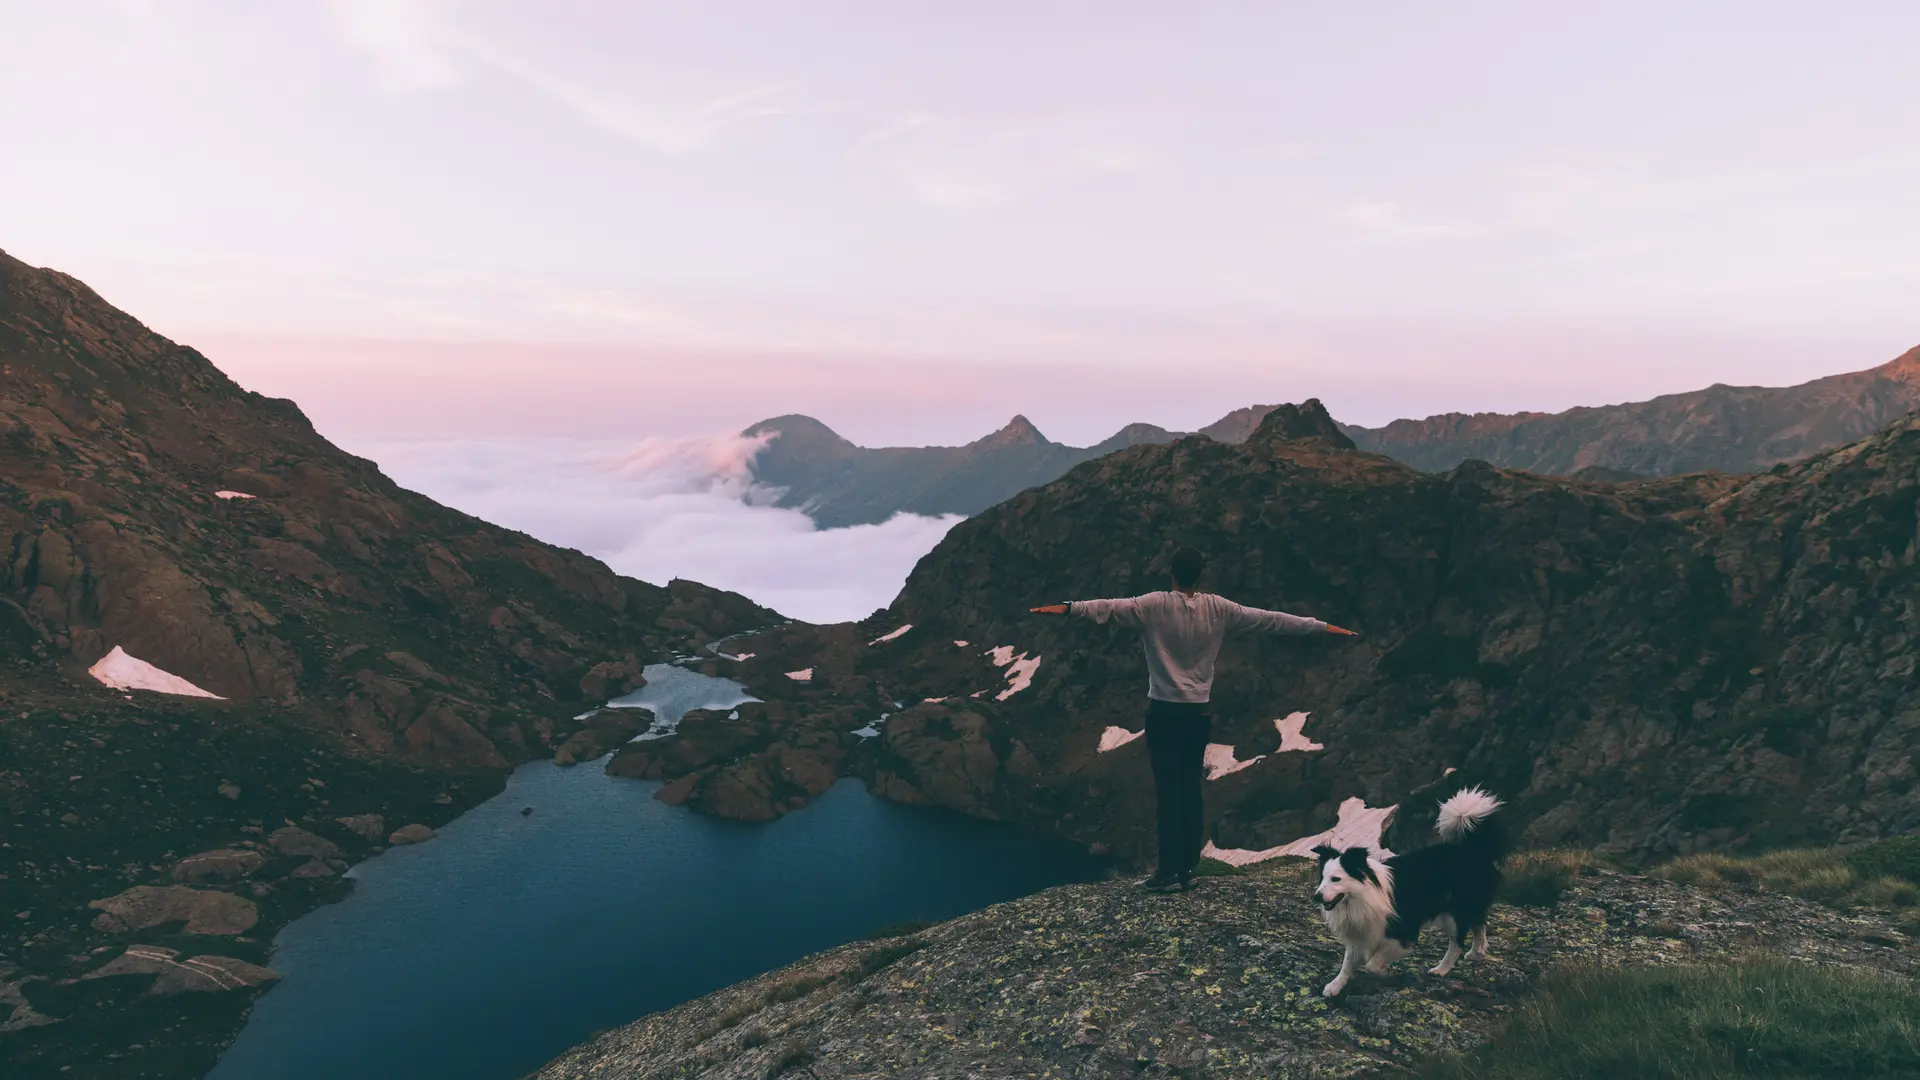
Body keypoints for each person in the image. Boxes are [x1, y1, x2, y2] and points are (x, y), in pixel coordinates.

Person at [1030, 545, 1359, 892]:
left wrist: (1066, 608)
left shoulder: (1153, 605)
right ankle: (1186, 868)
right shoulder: (1218, 608)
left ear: (1172, 571)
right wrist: (1322, 627)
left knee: (1169, 794)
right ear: (1199, 574)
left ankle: (1167, 872)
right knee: (1190, 791)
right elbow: (1271, 619)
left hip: (1164, 714)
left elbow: (1107, 608)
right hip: (1197, 715)